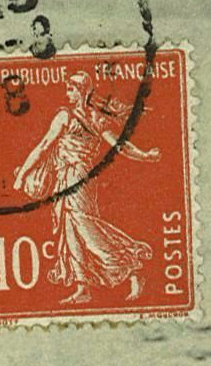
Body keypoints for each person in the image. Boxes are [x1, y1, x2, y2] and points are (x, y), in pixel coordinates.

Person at [11, 70, 160, 304]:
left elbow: (45, 147)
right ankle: (83, 288)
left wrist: (145, 155)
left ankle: (130, 266)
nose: (67, 93)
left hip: (78, 177)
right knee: (70, 230)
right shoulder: (82, 117)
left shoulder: (78, 117)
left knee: (84, 227)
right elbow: (44, 146)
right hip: (67, 177)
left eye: (71, 89)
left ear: (82, 91)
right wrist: (145, 155)